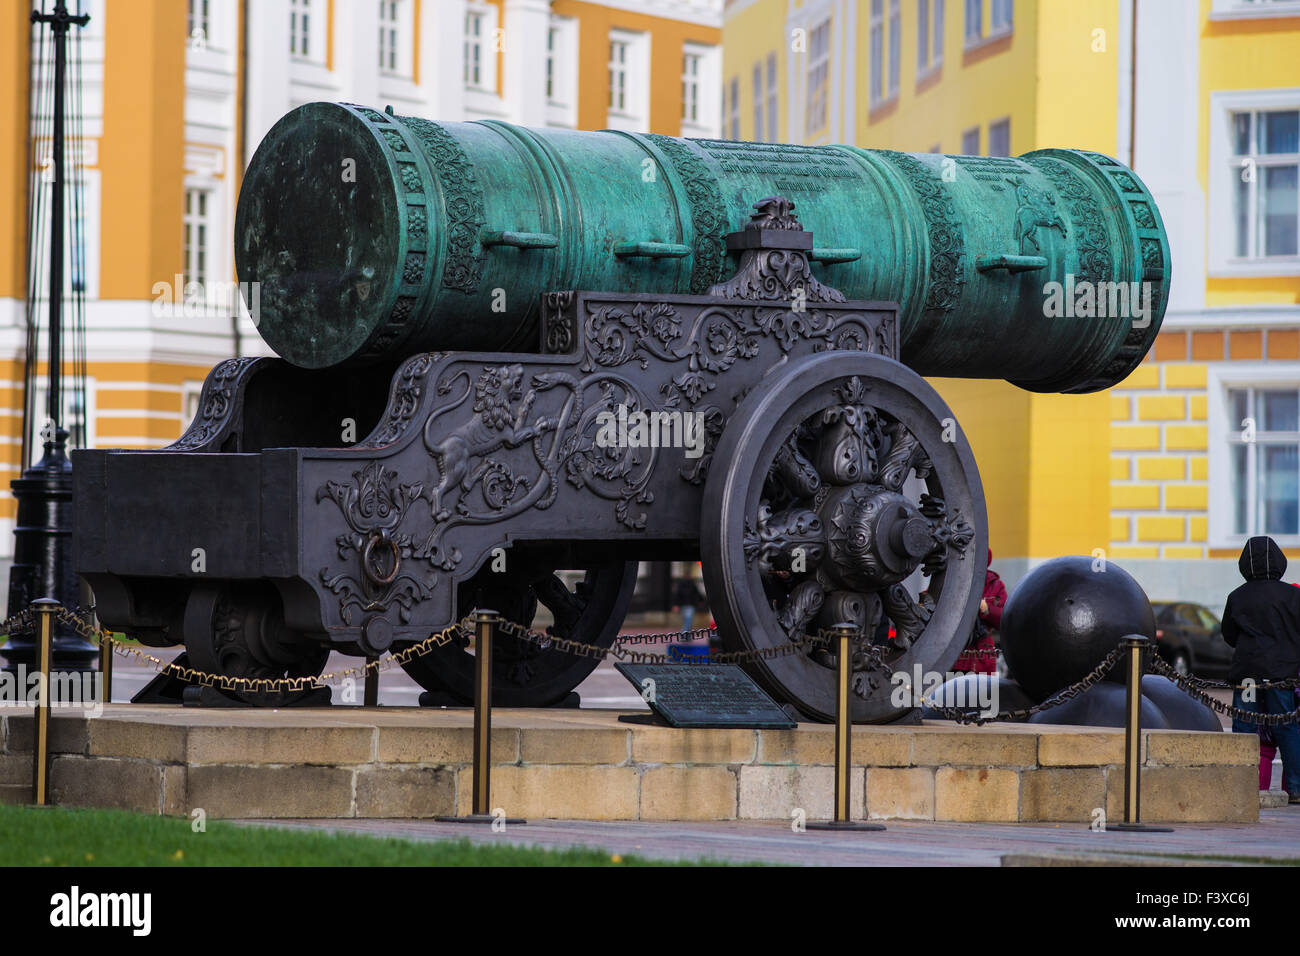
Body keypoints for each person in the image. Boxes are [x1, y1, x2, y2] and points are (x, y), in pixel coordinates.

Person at [1222, 536, 1300, 803]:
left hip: (1248, 674)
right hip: (1282, 674)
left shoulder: (1237, 596)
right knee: (1287, 728)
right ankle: (1296, 788)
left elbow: (1229, 635)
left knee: (1244, 727)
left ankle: (1242, 785)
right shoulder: (1294, 595)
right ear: (1280, 561)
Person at [953, 548, 1006, 673]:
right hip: (956, 657)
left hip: (982, 659)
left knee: (983, 691)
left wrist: (986, 608)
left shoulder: (995, 585)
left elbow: (1004, 619)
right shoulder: (953, 580)